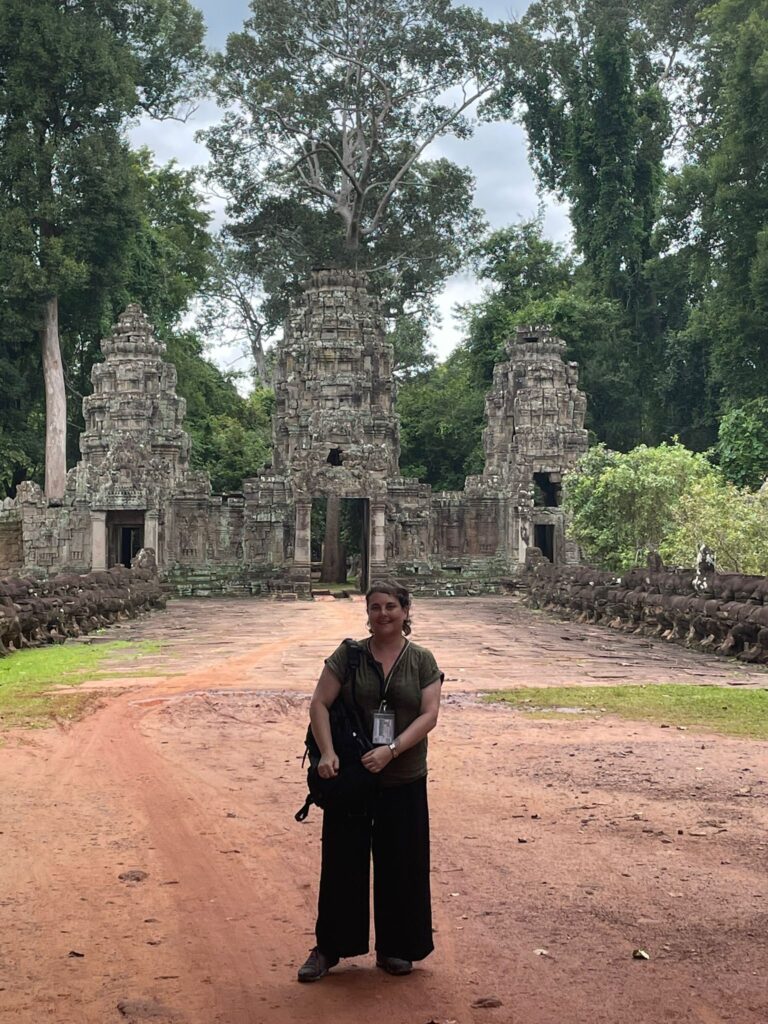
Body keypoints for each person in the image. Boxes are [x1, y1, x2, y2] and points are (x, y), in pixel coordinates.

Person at [297, 579, 443, 982]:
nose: (383, 614)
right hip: (353, 777)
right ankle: (329, 946)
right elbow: (318, 704)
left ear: (405, 611)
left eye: (391, 607)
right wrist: (327, 752)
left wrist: (391, 749)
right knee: (343, 861)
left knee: (404, 863)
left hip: (403, 774)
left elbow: (429, 715)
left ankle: (398, 947)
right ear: (368, 613)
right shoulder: (349, 655)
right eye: (376, 607)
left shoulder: (422, 661)